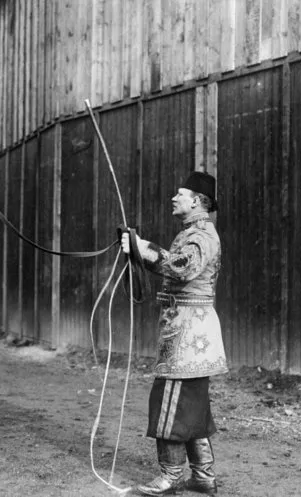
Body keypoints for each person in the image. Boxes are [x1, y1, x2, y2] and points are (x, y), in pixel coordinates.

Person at [121, 171, 227, 496]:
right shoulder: (196, 232)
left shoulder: (201, 236)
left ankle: (169, 478)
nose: (174, 198)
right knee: (192, 406)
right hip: (191, 332)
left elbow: (183, 267)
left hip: (186, 335)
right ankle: (203, 476)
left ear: (196, 201)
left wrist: (142, 247)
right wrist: (139, 250)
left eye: (179, 194)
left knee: (168, 403)